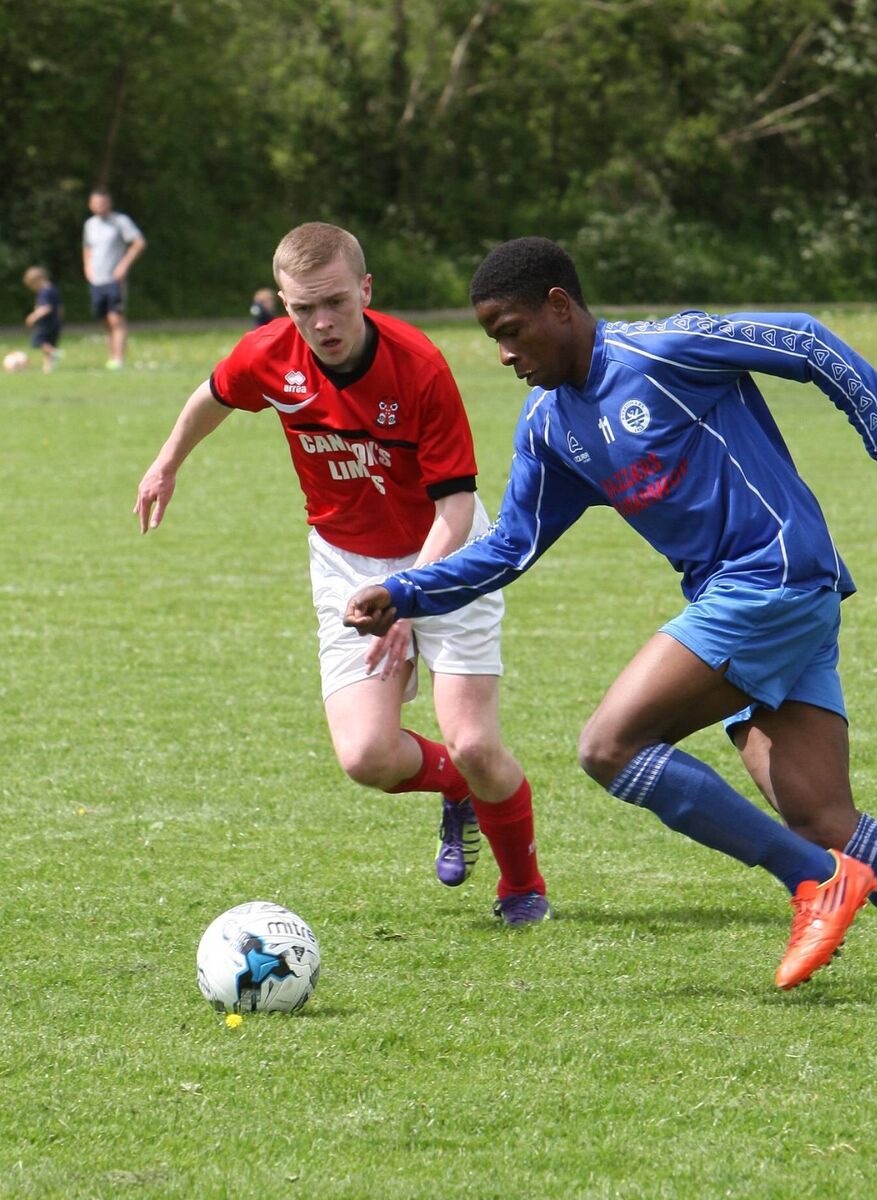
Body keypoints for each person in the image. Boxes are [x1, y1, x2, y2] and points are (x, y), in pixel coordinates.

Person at [345, 237, 877, 1005]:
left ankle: (815, 884)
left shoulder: (662, 350)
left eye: (510, 330)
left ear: (558, 307)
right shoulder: (547, 427)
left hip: (772, 574)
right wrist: (406, 594)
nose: (503, 353)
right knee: (822, 817)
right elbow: (512, 545)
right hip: (744, 601)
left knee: (609, 746)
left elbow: (802, 338)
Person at [134, 222, 549, 925]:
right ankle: (458, 792)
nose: (320, 324)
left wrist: (408, 599)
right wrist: (167, 461)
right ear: (283, 305)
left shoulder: (417, 366)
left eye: (333, 303)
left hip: (444, 553)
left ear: (364, 289)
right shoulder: (269, 355)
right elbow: (213, 393)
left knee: (476, 742)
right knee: (366, 755)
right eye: (302, 308)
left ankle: (522, 886)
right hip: (346, 560)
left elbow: (453, 507)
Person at [82, 188, 146, 369]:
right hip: (96, 280)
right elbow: (87, 248)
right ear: (90, 205)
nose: (99, 206)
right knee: (104, 320)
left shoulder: (120, 221)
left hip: (114, 279)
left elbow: (139, 242)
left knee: (115, 318)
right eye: (95, 203)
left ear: (109, 203)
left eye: (102, 202)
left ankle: (119, 359)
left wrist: (124, 265)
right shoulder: (90, 224)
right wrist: (87, 267)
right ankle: (111, 357)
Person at [22, 266, 62, 373]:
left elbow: (46, 308)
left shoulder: (45, 292)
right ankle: (47, 369)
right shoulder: (53, 289)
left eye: (32, 285)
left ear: (38, 280)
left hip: (46, 323)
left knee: (37, 341)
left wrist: (33, 316)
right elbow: (59, 308)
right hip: (55, 323)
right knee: (48, 344)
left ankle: (54, 352)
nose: (33, 288)